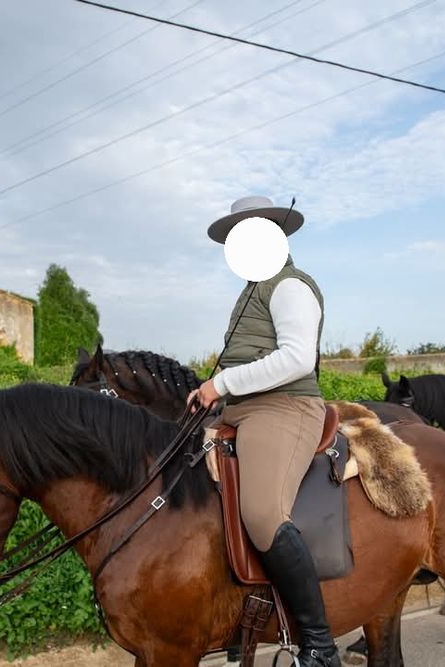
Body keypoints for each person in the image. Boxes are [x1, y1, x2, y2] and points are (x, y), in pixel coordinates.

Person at [187, 195, 339, 667]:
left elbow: (295, 357)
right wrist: (210, 394)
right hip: (238, 410)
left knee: (261, 514)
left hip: (284, 408)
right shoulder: (250, 290)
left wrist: (223, 383)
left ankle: (319, 645)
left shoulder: (290, 286)